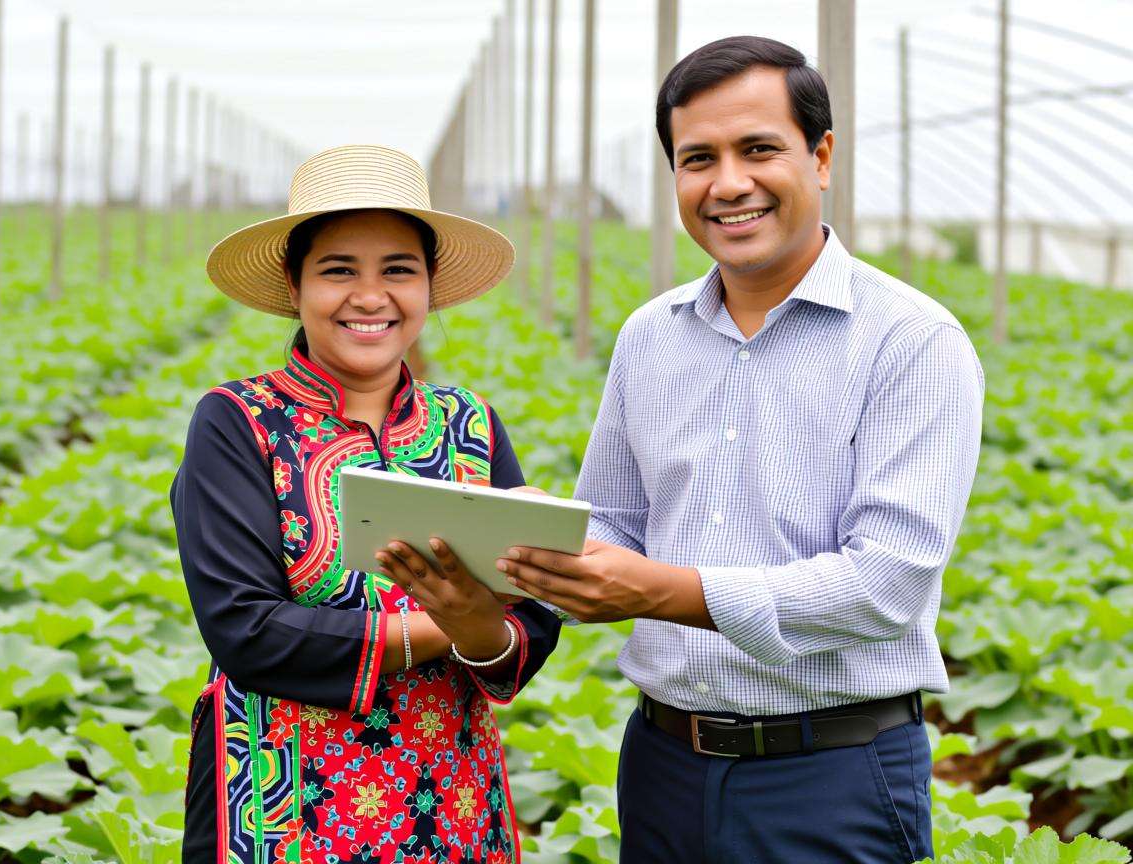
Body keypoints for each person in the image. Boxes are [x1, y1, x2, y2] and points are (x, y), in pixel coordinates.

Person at [497, 35, 984, 864]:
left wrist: (663, 591)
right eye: (698, 159)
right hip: (663, 764)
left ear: (820, 157)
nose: (727, 184)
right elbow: (616, 520)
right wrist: (544, 548)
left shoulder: (912, 341)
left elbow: (886, 584)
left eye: (758, 149)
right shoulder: (650, 336)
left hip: (830, 776)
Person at [171, 144, 559, 864]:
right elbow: (245, 630)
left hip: (453, 804)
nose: (371, 297)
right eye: (339, 270)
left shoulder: (471, 423)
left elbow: (527, 631)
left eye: (399, 270)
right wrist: (449, 623)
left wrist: (496, 618)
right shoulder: (237, 422)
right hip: (280, 812)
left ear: (430, 286)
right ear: (294, 284)